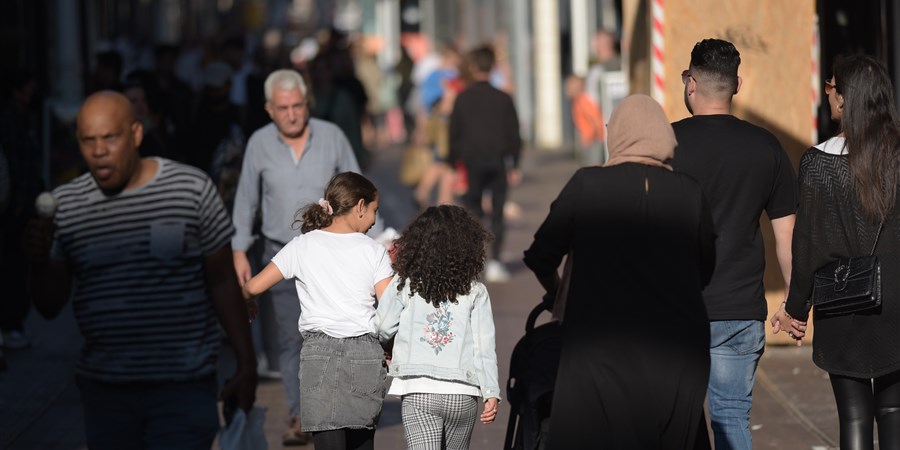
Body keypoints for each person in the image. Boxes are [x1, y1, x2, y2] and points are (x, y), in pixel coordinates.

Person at [24, 91, 257, 448]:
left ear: (135, 134)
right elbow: (49, 304)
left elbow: (223, 281)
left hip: (183, 388)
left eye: (110, 138)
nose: (99, 150)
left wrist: (246, 362)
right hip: (106, 394)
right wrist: (38, 261)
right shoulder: (67, 206)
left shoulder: (190, 190)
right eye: (88, 141)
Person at [523, 94, 715, 449]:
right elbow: (705, 268)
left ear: (617, 135)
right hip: (677, 348)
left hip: (599, 345)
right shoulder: (689, 192)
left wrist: (559, 291)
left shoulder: (587, 185)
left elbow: (540, 255)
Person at [670, 39, 798, 450]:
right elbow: (787, 237)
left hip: (674, 309)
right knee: (730, 418)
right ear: (737, 85)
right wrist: (794, 302)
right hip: (740, 309)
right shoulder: (766, 147)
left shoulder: (664, 145)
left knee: (673, 421)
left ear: (691, 83)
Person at [771, 55, 900, 450]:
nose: (827, 94)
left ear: (845, 99)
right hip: (897, 303)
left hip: (842, 303)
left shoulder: (816, 163)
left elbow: (808, 245)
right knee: (895, 413)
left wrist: (795, 308)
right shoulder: (896, 158)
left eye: (830, 86)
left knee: (854, 416)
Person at [231, 68, 364, 446]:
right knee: (292, 336)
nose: (292, 114)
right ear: (269, 109)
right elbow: (247, 199)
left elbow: (357, 188)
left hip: (331, 253)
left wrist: (375, 235)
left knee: (332, 332)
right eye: (283, 107)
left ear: (308, 104)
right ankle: (300, 414)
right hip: (279, 252)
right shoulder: (258, 143)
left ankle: (338, 409)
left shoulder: (331, 136)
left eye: (298, 106)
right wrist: (239, 249)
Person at [242, 172, 393, 450]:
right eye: (374, 211)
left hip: (318, 356)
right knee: (362, 443)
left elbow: (250, 288)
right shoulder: (375, 252)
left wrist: (249, 300)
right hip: (364, 355)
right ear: (360, 206)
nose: (373, 221)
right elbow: (390, 311)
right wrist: (391, 348)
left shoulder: (302, 246)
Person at [376, 205, 501, 449]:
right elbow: (484, 346)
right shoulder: (475, 291)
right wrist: (491, 391)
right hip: (462, 392)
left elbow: (382, 326)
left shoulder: (405, 284)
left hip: (419, 389)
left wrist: (388, 345)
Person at [449, 46, 521, 283]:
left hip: (471, 162)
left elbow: (454, 132)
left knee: (473, 211)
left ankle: (474, 261)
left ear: (472, 67)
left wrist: (453, 161)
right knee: (498, 212)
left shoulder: (463, 98)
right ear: (493, 67)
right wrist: (515, 163)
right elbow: (515, 133)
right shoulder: (503, 98)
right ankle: (497, 261)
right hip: (498, 161)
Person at [564, 74, 606, 165]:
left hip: (594, 141)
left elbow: (596, 122)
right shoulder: (577, 101)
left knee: (593, 171)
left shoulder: (583, 101)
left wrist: (590, 140)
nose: (567, 89)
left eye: (569, 85)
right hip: (590, 142)